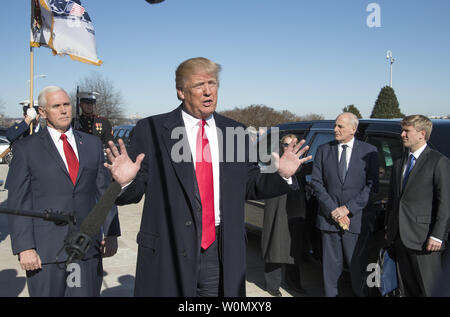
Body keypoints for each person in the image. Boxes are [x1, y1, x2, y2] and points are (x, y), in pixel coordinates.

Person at [104, 57, 312, 297]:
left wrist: (281, 175)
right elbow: (135, 191)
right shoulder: (151, 129)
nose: (208, 92)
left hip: (220, 249)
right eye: (198, 85)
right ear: (181, 91)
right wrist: (126, 181)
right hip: (169, 247)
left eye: (212, 84)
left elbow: (249, 183)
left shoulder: (235, 131)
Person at [6, 86, 121, 297]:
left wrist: (112, 231)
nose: (63, 110)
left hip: (86, 247)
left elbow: (104, 192)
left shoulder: (92, 144)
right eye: (56, 106)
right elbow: (18, 202)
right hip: (45, 253)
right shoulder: (26, 148)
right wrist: (25, 247)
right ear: (42, 112)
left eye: (66, 104)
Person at [311, 112, 379, 297]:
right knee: (330, 271)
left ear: (353, 129)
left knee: (358, 269)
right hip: (329, 220)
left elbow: (372, 187)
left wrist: (347, 209)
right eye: (335, 125)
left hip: (356, 221)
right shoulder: (323, 150)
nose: (335, 129)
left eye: (340, 126)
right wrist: (334, 210)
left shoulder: (369, 152)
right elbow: (316, 183)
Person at [385, 115, 450, 297]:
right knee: (406, 289)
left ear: (422, 134)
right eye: (402, 130)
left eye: (407, 131)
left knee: (428, 289)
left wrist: (438, 236)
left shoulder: (438, 162)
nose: (402, 134)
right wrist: (389, 227)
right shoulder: (399, 162)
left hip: (424, 240)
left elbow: (445, 202)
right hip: (399, 238)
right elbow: (394, 199)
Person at [261, 134, 307, 297]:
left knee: (293, 249)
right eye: (286, 144)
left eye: (293, 144)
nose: (289, 147)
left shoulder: (302, 164)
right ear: (281, 146)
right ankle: (272, 284)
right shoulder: (273, 162)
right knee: (275, 245)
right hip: (277, 208)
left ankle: (293, 282)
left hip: (295, 209)